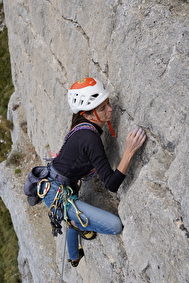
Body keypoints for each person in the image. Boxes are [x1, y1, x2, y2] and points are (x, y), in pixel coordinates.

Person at [41, 77, 146, 267]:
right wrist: (130, 151)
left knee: (72, 214)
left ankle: (74, 257)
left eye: (107, 103)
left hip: (57, 187)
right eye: (102, 108)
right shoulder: (89, 137)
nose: (110, 109)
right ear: (88, 115)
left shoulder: (82, 127)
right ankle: (75, 222)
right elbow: (111, 184)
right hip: (59, 193)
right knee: (114, 226)